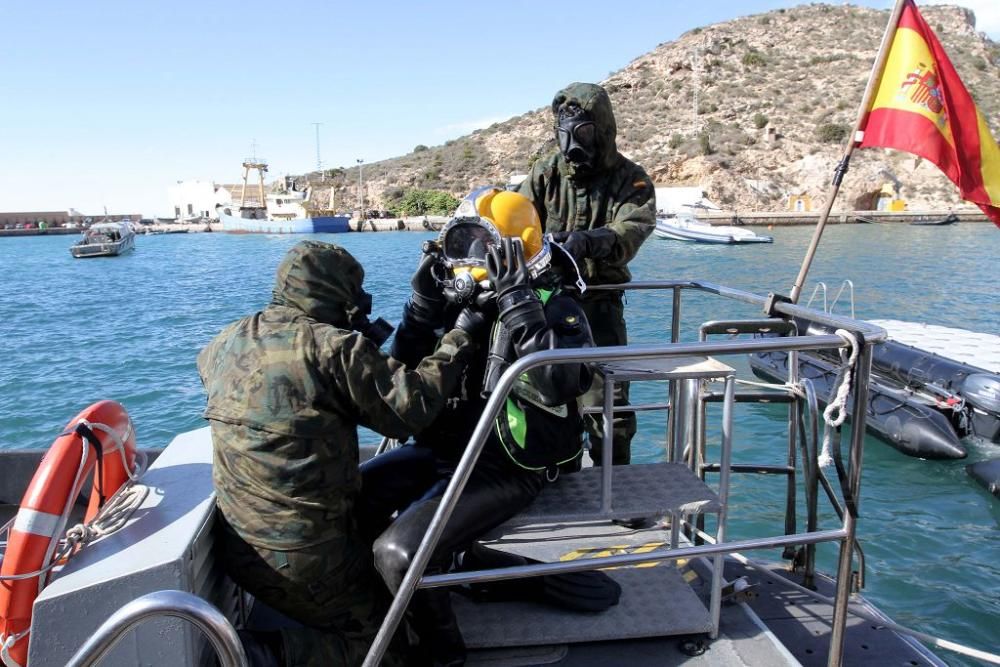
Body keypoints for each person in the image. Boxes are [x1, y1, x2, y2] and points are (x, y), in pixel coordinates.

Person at [197, 240, 488, 667]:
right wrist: (461, 336)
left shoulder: (226, 341)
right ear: (336, 292)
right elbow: (412, 409)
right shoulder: (332, 348)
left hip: (241, 549)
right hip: (307, 559)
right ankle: (263, 656)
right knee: (391, 646)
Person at [359, 189, 596, 666]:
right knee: (348, 498)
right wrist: (420, 309)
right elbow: (400, 369)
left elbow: (558, 382)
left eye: (480, 245)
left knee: (400, 553)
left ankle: (444, 654)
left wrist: (518, 304)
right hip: (446, 451)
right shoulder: (458, 303)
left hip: (507, 466)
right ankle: (444, 579)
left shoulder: (557, 306)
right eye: (460, 244)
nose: (468, 260)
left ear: (513, 249)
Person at [518, 82, 656, 465]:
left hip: (599, 307)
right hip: (548, 304)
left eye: (582, 132)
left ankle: (615, 485)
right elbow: (516, 216)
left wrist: (586, 242)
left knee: (606, 402)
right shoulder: (546, 173)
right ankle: (556, 476)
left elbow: (630, 231)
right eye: (565, 133)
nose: (571, 143)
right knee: (544, 397)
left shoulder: (631, 180)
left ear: (602, 130)